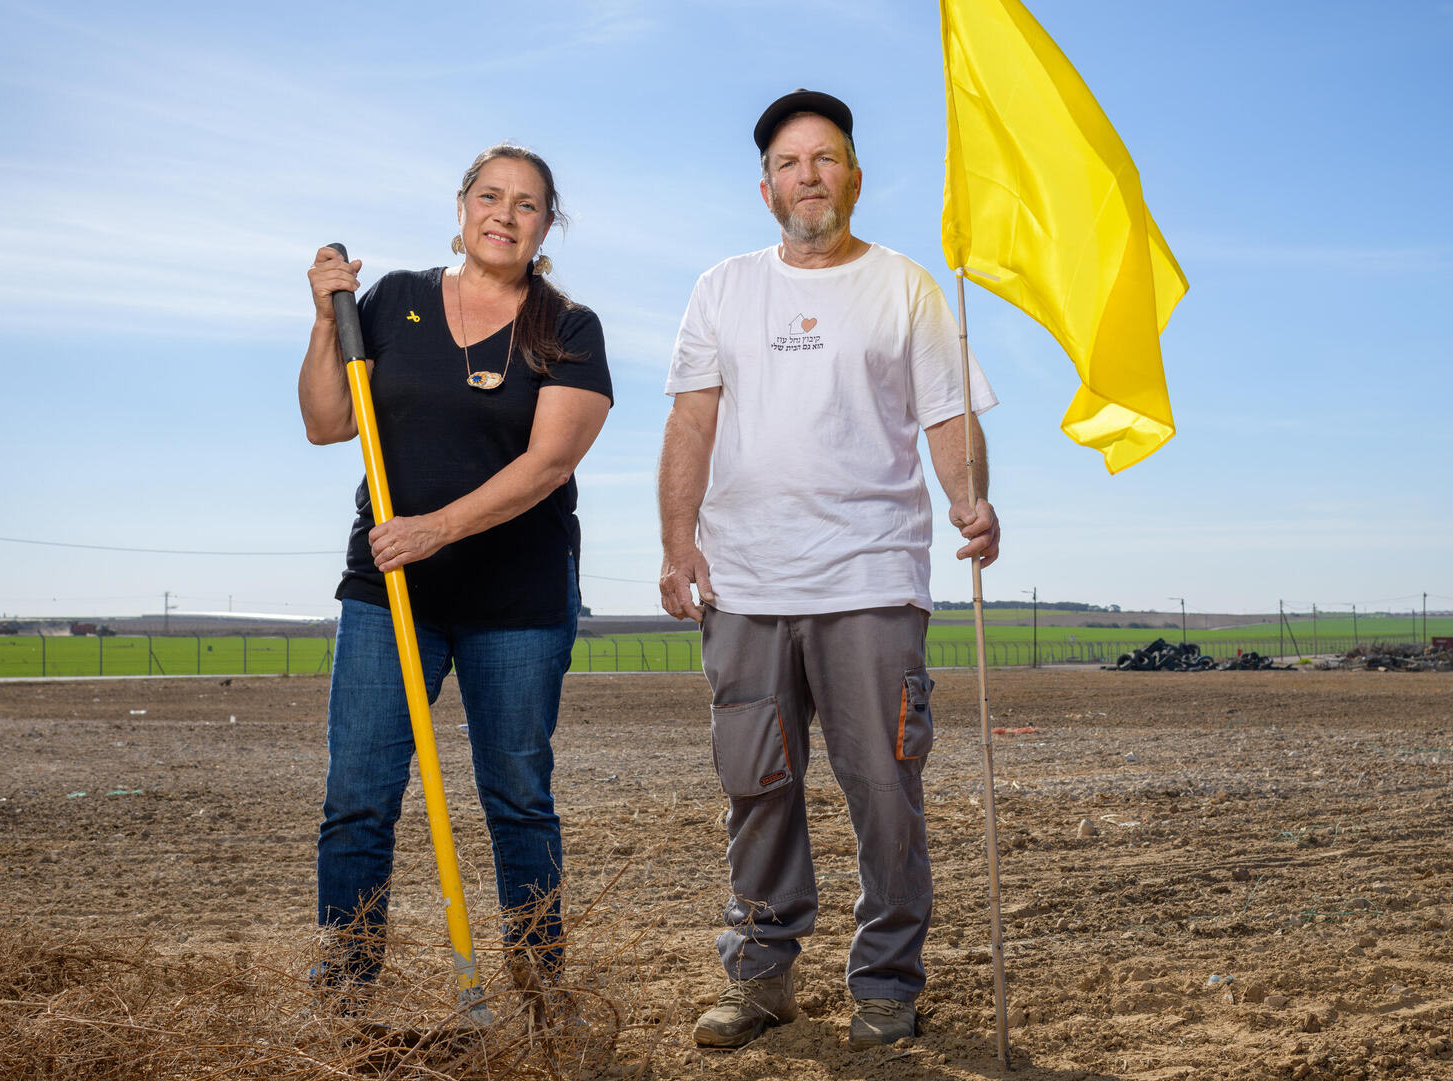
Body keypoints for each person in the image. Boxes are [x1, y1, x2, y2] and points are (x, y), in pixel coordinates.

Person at [656, 90, 1000, 1052]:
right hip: (747, 585)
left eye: (827, 157)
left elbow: (947, 417)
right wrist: (678, 542)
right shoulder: (722, 287)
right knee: (757, 785)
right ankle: (761, 977)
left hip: (871, 578)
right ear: (765, 186)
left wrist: (971, 498)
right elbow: (691, 421)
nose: (809, 175)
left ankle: (887, 981)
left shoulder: (906, 285)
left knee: (884, 785)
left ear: (854, 174)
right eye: (790, 162)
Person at [298, 143, 613, 996]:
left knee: (516, 800)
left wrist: (437, 528)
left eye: (527, 204)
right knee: (358, 798)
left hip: (516, 602)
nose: (504, 215)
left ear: (547, 224)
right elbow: (328, 424)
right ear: (463, 206)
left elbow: (548, 463)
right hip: (389, 590)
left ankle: (538, 992)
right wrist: (330, 320)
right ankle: (348, 992)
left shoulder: (568, 329)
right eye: (490, 196)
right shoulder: (393, 300)